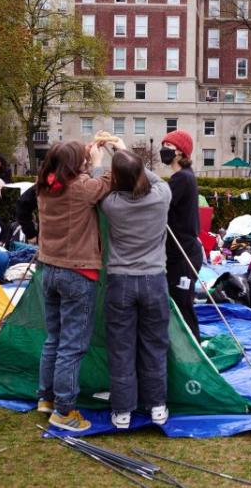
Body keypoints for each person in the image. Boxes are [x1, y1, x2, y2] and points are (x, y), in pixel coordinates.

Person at [36, 138, 115, 432]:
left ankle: (46, 397)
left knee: (53, 339)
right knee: (72, 345)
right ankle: (65, 410)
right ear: (75, 164)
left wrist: (82, 154)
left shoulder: (44, 186)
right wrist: (95, 162)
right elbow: (109, 180)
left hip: (49, 271)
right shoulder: (81, 188)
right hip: (78, 275)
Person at [100, 147, 172, 430]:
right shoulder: (161, 196)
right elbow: (155, 181)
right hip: (154, 280)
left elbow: (99, 181)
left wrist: (112, 159)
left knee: (121, 348)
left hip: (120, 283)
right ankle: (156, 406)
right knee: (154, 345)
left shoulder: (111, 203)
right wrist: (125, 152)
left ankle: (122, 411)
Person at [160, 130, 203, 342]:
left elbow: (159, 203)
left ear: (180, 152)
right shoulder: (180, 178)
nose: (164, 150)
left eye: (168, 146)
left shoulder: (182, 179)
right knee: (176, 304)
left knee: (183, 305)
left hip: (184, 255)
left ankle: (193, 353)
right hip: (177, 253)